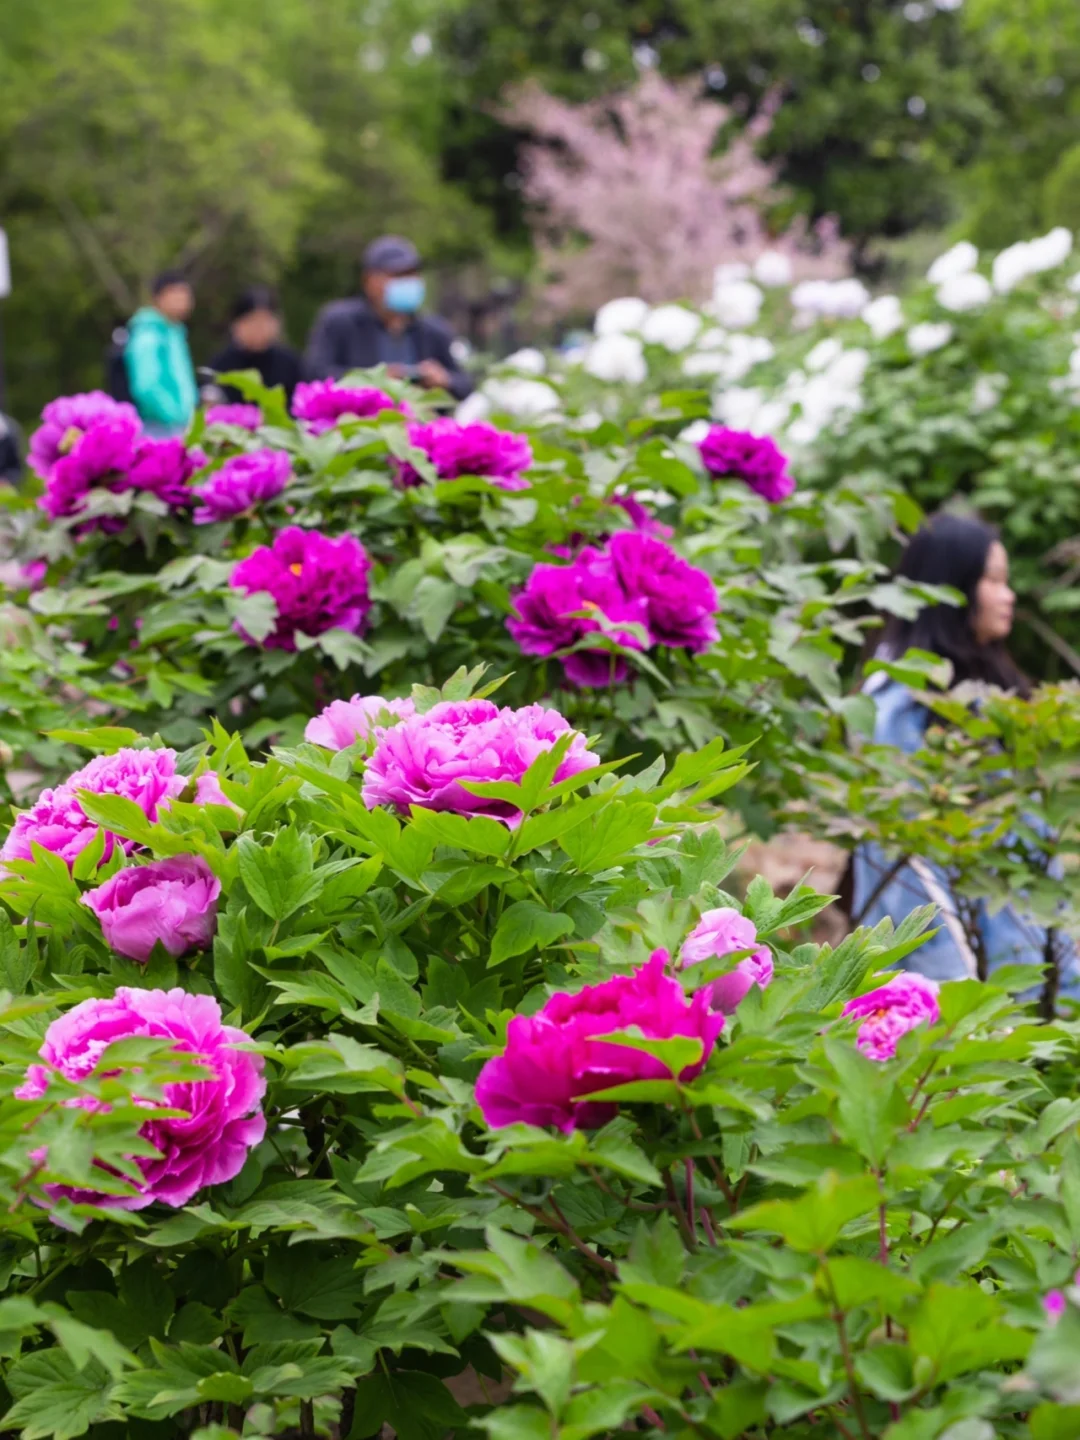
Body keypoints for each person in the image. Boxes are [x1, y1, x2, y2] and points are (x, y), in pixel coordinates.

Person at [849, 512, 1079, 993]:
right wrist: (954, 988)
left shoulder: (982, 680)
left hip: (1023, 954)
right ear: (950, 587)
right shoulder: (900, 700)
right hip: (960, 976)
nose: (1008, 595)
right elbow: (907, 865)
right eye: (993, 580)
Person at [304, 235, 473, 399]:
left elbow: (465, 385)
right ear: (369, 281)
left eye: (412, 274)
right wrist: (375, 379)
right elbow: (315, 374)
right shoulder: (339, 321)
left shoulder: (434, 330)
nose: (408, 282)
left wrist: (443, 379)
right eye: (397, 275)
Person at [124, 270, 198, 436]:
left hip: (180, 426)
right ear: (158, 297)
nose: (183, 299)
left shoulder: (174, 332)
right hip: (158, 428)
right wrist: (175, 416)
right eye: (175, 292)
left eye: (185, 293)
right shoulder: (149, 334)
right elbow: (146, 385)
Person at [207, 286, 303, 405]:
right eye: (252, 320)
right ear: (236, 324)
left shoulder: (290, 364)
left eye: (265, 320)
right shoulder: (221, 364)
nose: (259, 328)